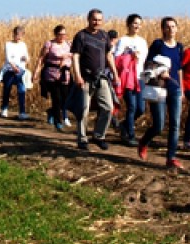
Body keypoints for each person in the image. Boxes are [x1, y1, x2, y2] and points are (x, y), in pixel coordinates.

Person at [138, 17, 185, 169]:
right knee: (159, 125)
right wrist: (161, 71)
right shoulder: (158, 44)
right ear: (163, 29)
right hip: (159, 87)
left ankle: (171, 157)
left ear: (177, 28)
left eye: (173, 26)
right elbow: (148, 63)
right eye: (167, 27)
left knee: (175, 124)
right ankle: (144, 142)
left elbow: (179, 69)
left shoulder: (179, 47)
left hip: (175, 88)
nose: (171, 29)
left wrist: (182, 89)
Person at [71, 9, 118, 151]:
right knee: (83, 109)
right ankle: (82, 139)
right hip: (85, 78)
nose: (96, 22)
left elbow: (109, 55)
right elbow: (75, 57)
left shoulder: (104, 35)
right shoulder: (81, 36)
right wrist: (77, 76)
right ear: (88, 19)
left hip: (102, 77)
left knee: (108, 107)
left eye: (99, 20)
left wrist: (115, 74)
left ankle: (99, 135)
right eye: (94, 19)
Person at [113, 14, 148, 147]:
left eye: (139, 23)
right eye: (134, 23)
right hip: (128, 78)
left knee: (141, 108)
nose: (137, 26)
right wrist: (129, 55)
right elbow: (117, 58)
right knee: (132, 106)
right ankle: (130, 135)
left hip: (140, 77)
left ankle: (124, 124)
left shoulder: (142, 41)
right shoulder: (123, 40)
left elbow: (144, 60)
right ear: (128, 24)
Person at [34, 25, 73, 131]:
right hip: (52, 75)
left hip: (65, 75)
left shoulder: (69, 44)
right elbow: (41, 58)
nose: (62, 36)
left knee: (66, 98)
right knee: (56, 98)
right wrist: (36, 73)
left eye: (64, 34)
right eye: (60, 34)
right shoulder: (49, 44)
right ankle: (58, 121)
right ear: (56, 34)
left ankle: (51, 112)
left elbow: (75, 56)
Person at [0, 26, 30, 119]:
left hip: (20, 71)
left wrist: (26, 59)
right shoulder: (8, 44)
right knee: (7, 89)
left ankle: (22, 112)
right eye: (17, 34)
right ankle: (4, 109)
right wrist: (13, 66)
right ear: (14, 34)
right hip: (10, 70)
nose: (18, 36)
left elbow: (27, 57)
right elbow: (8, 58)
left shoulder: (23, 45)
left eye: (20, 34)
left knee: (22, 90)